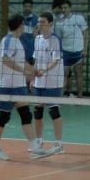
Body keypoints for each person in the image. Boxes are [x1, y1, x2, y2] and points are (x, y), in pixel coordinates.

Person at [0, 14, 53, 160]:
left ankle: (35, 147)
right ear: (19, 26)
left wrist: (32, 70)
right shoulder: (9, 40)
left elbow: (20, 61)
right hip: (6, 85)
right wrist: (24, 72)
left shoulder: (17, 41)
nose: (24, 27)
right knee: (3, 116)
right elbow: (5, 59)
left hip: (18, 85)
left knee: (26, 114)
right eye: (23, 24)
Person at [31, 13, 66, 154]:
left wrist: (43, 70)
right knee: (37, 112)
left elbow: (56, 60)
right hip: (39, 80)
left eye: (43, 22)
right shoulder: (37, 39)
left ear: (50, 24)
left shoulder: (55, 39)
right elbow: (35, 60)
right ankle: (39, 141)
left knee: (53, 111)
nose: (40, 24)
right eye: (39, 22)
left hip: (52, 80)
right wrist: (34, 77)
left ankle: (59, 143)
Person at [55, 0, 90, 98]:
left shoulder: (78, 18)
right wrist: (59, 52)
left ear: (70, 8)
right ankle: (62, 97)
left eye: (65, 8)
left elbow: (86, 34)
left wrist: (85, 49)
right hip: (65, 51)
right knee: (64, 75)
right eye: (62, 8)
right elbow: (59, 38)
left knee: (78, 74)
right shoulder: (59, 22)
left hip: (78, 51)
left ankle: (80, 97)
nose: (63, 10)